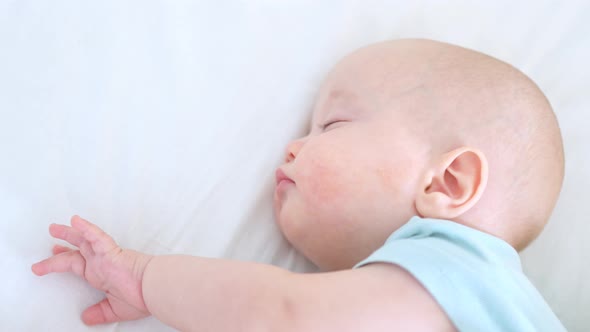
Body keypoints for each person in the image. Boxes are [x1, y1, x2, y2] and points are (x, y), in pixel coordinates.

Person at [31, 39, 566, 331]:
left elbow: (281, 313)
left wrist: (145, 277)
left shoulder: (457, 267)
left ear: (448, 182)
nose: (292, 146)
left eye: (332, 126)